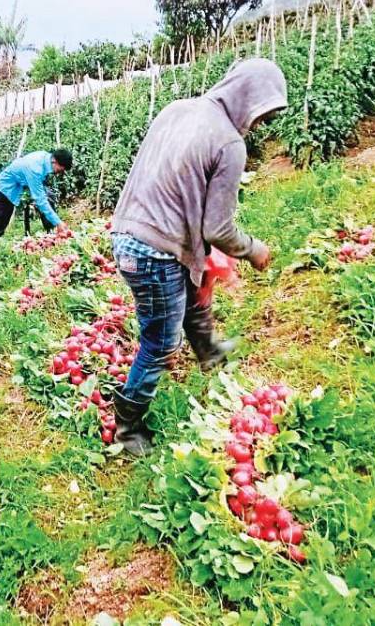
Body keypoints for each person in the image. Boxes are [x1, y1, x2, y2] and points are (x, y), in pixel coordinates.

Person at [109, 58, 286, 457]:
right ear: (247, 99)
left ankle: (208, 351)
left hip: (126, 233)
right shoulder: (228, 142)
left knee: (185, 291)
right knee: (159, 342)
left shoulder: (177, 108)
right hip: (155, 251)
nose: (256, 126)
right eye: (260, 116)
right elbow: (217, 230)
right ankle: (127, 425)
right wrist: (254, 249)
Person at [0, 149, 72, 253]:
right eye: (60, 170)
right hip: (5, 188)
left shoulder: (45, 157)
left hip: (20, 183)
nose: (59, 173)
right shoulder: (35, 169)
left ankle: (51, 233)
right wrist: (58, 222)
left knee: (49, 196)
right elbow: (40, 199)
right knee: (2, 219)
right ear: (54, 161)